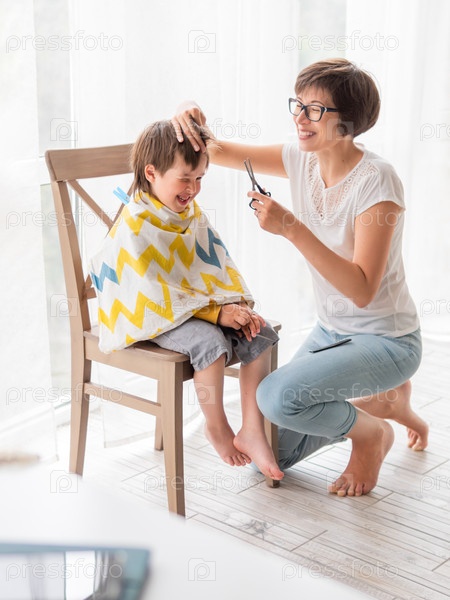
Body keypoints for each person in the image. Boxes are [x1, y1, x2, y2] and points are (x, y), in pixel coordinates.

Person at [171, 58, 429, 497]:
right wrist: (187, 112)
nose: (300, 118)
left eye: (314, 110)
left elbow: (362, 290)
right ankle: (383, 402)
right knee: (273, 454)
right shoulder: (300, 159)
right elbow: (216, 150)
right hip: (332, 332)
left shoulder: (377, 181)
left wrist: (290, 227)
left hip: (388, 341)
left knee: (276, 398)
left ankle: (371, 435)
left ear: (347, 124)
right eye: (298, 104)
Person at [90, 120, 283, 481]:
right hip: (149, 315)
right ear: (152, 173)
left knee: (260, 331)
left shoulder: (189, 214)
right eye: (185, 179)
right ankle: (216, 425)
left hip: (191, 309)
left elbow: (212, 267)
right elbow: (149, 291)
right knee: (209, 343)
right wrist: (215, 314)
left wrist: (234, 306)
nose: (193, 189)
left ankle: (252, 428)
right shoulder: (136, 222)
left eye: (200, 178)